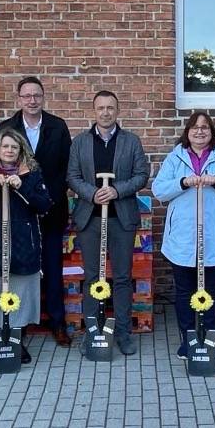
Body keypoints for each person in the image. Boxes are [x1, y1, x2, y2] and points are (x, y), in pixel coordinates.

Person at [153, 112, 215, 359]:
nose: (200, 131)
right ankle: (188, 339)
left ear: (211, 132)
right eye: (195, 127)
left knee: (210, 292)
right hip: (182, 238)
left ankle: (209, 339)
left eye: (205, 127)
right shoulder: (174, 158)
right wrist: (183, 182)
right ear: (187, 131)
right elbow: (159, 190)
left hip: (212, 237)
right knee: (185, 292)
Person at [67, 91, 150, 355]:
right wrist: (92, 193)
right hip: (90, 218)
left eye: (110, 108)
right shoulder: (80, 142)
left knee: (122, 277)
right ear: (94, 111)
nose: (105, 112)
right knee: (93, 277)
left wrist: (116, 190)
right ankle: (94, 332)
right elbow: (72, 176)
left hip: (121, 219)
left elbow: (142, 175)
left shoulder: (131, 141)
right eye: (101, 108)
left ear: (117, 110)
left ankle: (123, 333)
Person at [0, 77, 73, 346]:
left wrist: (47, 199)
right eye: (27, 96)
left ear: (43, 97)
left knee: (53, 268)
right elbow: (0, 165)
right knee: (20, 269)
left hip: (52, 209)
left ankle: (57, 322)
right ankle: (19, 323)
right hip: (19, 211)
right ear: (19, 99)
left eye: (37, 95)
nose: (32, 100)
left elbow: (67, 168)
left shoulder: (58, 126)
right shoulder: (7, 128)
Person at [0, 129, 52, 364]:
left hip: (24, 241)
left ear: (21, 151)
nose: (9, 150)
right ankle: (1, 338)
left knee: (21, 292)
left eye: (14, 147)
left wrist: (22, 187)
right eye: (5, 146)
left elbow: (44, 205)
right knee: (0, 290)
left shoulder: (32, 175)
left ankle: (18, 338)